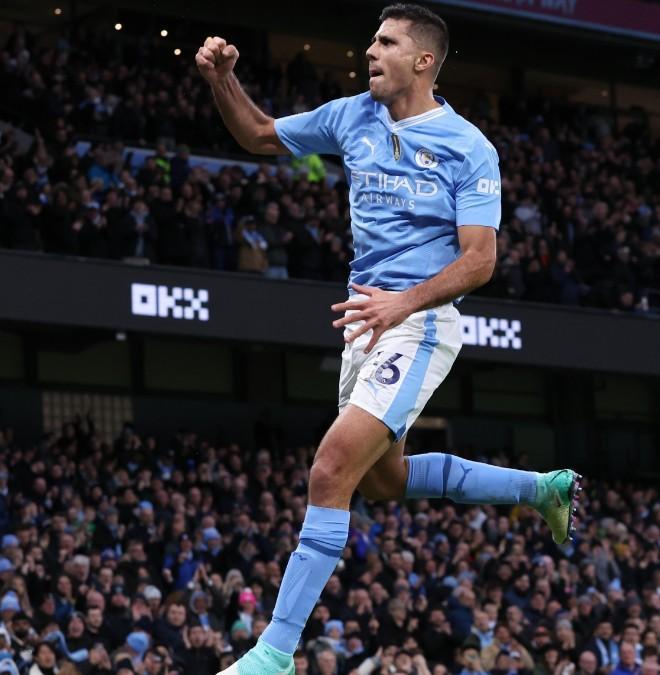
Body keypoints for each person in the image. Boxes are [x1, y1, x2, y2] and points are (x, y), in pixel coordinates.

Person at [196, 4, 582, 674]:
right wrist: (223, 79)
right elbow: (260, 134)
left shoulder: (467, 146)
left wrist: (403, 300)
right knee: (384, 481)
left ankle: (275, 653)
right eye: (372, 39)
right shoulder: (352, 116)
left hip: (421, 320)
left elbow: (480, 259)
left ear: (423, 60)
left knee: (329, 469)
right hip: (367, 324)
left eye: (386, 42)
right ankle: (541, 489)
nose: (369, 51)